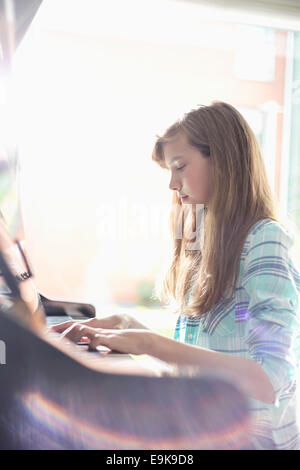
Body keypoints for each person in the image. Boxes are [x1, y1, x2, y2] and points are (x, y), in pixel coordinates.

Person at [52, 102, 300, 450]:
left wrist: (153, 345)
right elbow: (202, 359)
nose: (172, 183)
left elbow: (273, 378)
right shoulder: (206, 239)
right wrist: (130, 326)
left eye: (180, 167)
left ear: (225, 160)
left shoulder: (265, 240)